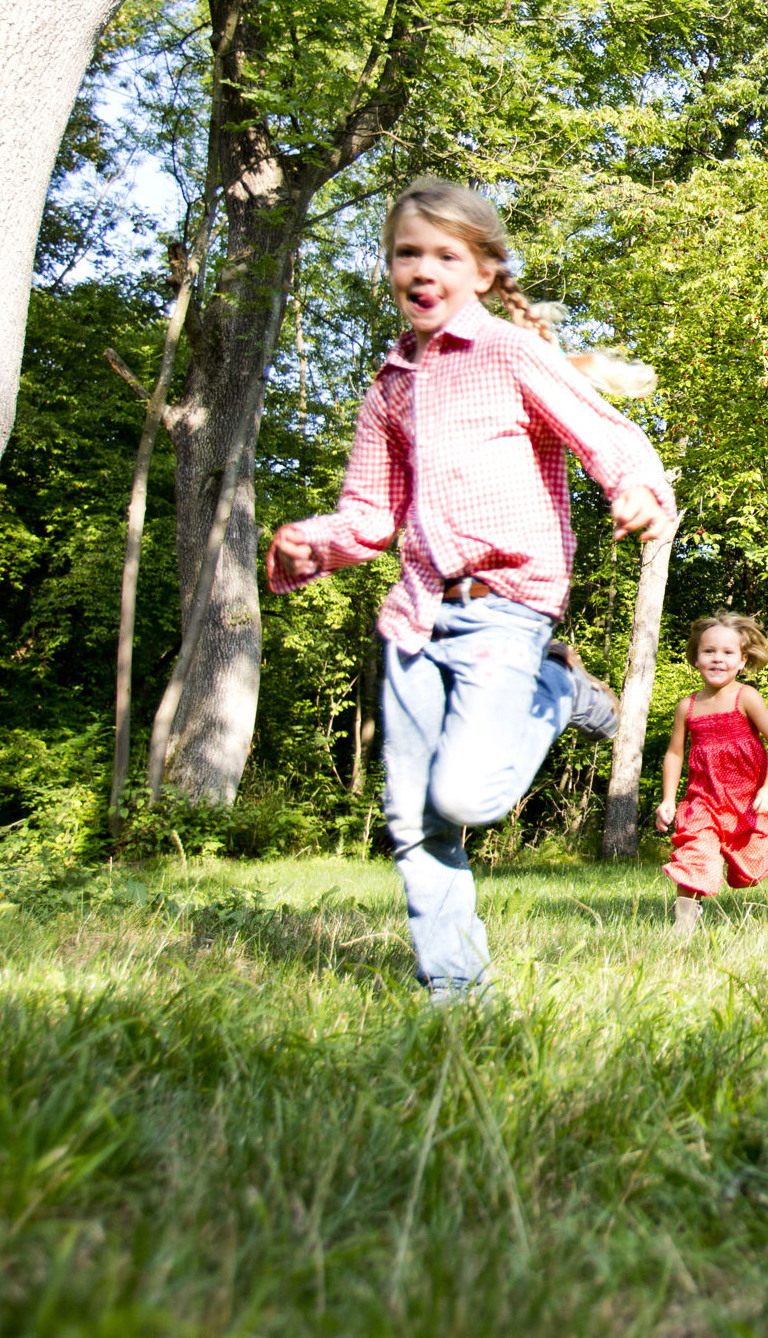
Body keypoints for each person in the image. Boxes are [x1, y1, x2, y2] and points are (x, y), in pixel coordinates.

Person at [268, 177, 674, 1001]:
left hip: (507, 606)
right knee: (414, 821)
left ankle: (557, 687)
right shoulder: (389, 388)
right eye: (406, 254)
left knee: (466, 796)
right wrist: (310, 543)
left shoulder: (510, 353)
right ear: (389, 269)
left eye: (445, 255)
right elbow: (369, 515)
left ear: (483, 271)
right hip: (416, 616)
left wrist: (636, 489)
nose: (423, 269)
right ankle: (455, 991)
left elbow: (608, 436)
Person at [656, 613, 768, 936]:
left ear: (742, 661)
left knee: (749, 872)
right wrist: (668, 799)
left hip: (747, 800)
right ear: (696, 658)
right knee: (694, 854)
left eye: (728, 653)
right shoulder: (687, 706)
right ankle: (684, 923)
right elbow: (674, 753)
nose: (718, 659)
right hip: (703, 798)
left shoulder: (746, 698)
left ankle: (767, 853)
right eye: (709, 651)